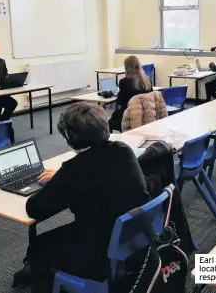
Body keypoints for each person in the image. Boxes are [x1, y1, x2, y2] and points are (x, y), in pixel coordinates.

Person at [20, 103, 150, 292]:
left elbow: (34, 208)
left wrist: (59, 179)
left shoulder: (74, 169)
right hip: (133, 237)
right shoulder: (123, 150)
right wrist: (61, 178)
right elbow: (97, 175)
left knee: (40, 245)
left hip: (100, 250)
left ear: (70, 138)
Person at [108, 56, 152, 132]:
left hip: (129, 114)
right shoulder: (147, 80)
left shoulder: (124, 81)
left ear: (126, 67)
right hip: (146, 113)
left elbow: (120, 101)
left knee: (110, 121)